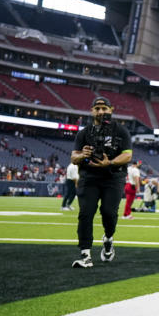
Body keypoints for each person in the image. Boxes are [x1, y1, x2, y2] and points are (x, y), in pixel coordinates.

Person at [69, 96, 132, 268]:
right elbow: (73, 157)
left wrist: (109, 162)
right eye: (97, 108)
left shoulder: (121, 131)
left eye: (104, 108)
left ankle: (108, 238)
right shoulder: (84, 133)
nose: (101, 111)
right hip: (89, 177)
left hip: (113, 177)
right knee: (85, 213)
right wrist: (83, 155)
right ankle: (85, 255)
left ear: (111, 110)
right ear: (92, 111)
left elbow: (128, 155)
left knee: (109, 213)